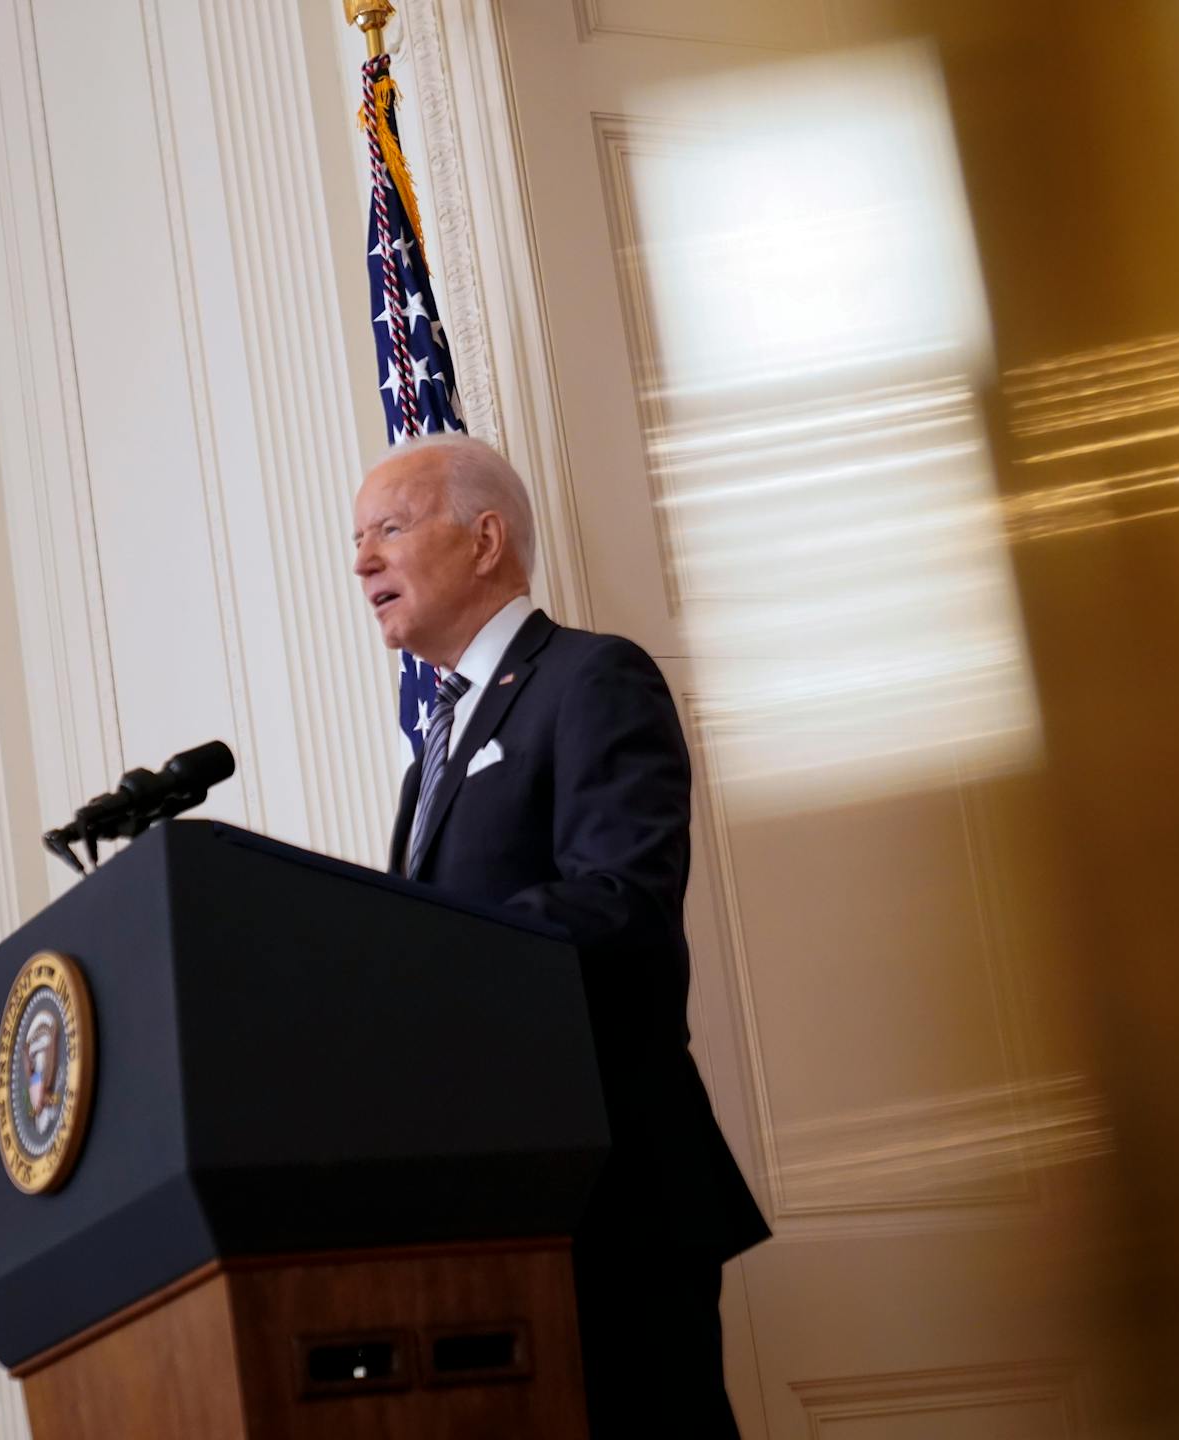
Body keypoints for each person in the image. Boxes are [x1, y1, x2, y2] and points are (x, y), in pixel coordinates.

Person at [352, 432, 769, 1436]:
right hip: (499, 1204)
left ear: (486, 539)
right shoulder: (429, 762)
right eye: (356, 540)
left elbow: (622, 900)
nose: (362, 561)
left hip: (616, 1187)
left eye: (390, 531)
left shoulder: (591, 680)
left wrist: (418, 943)